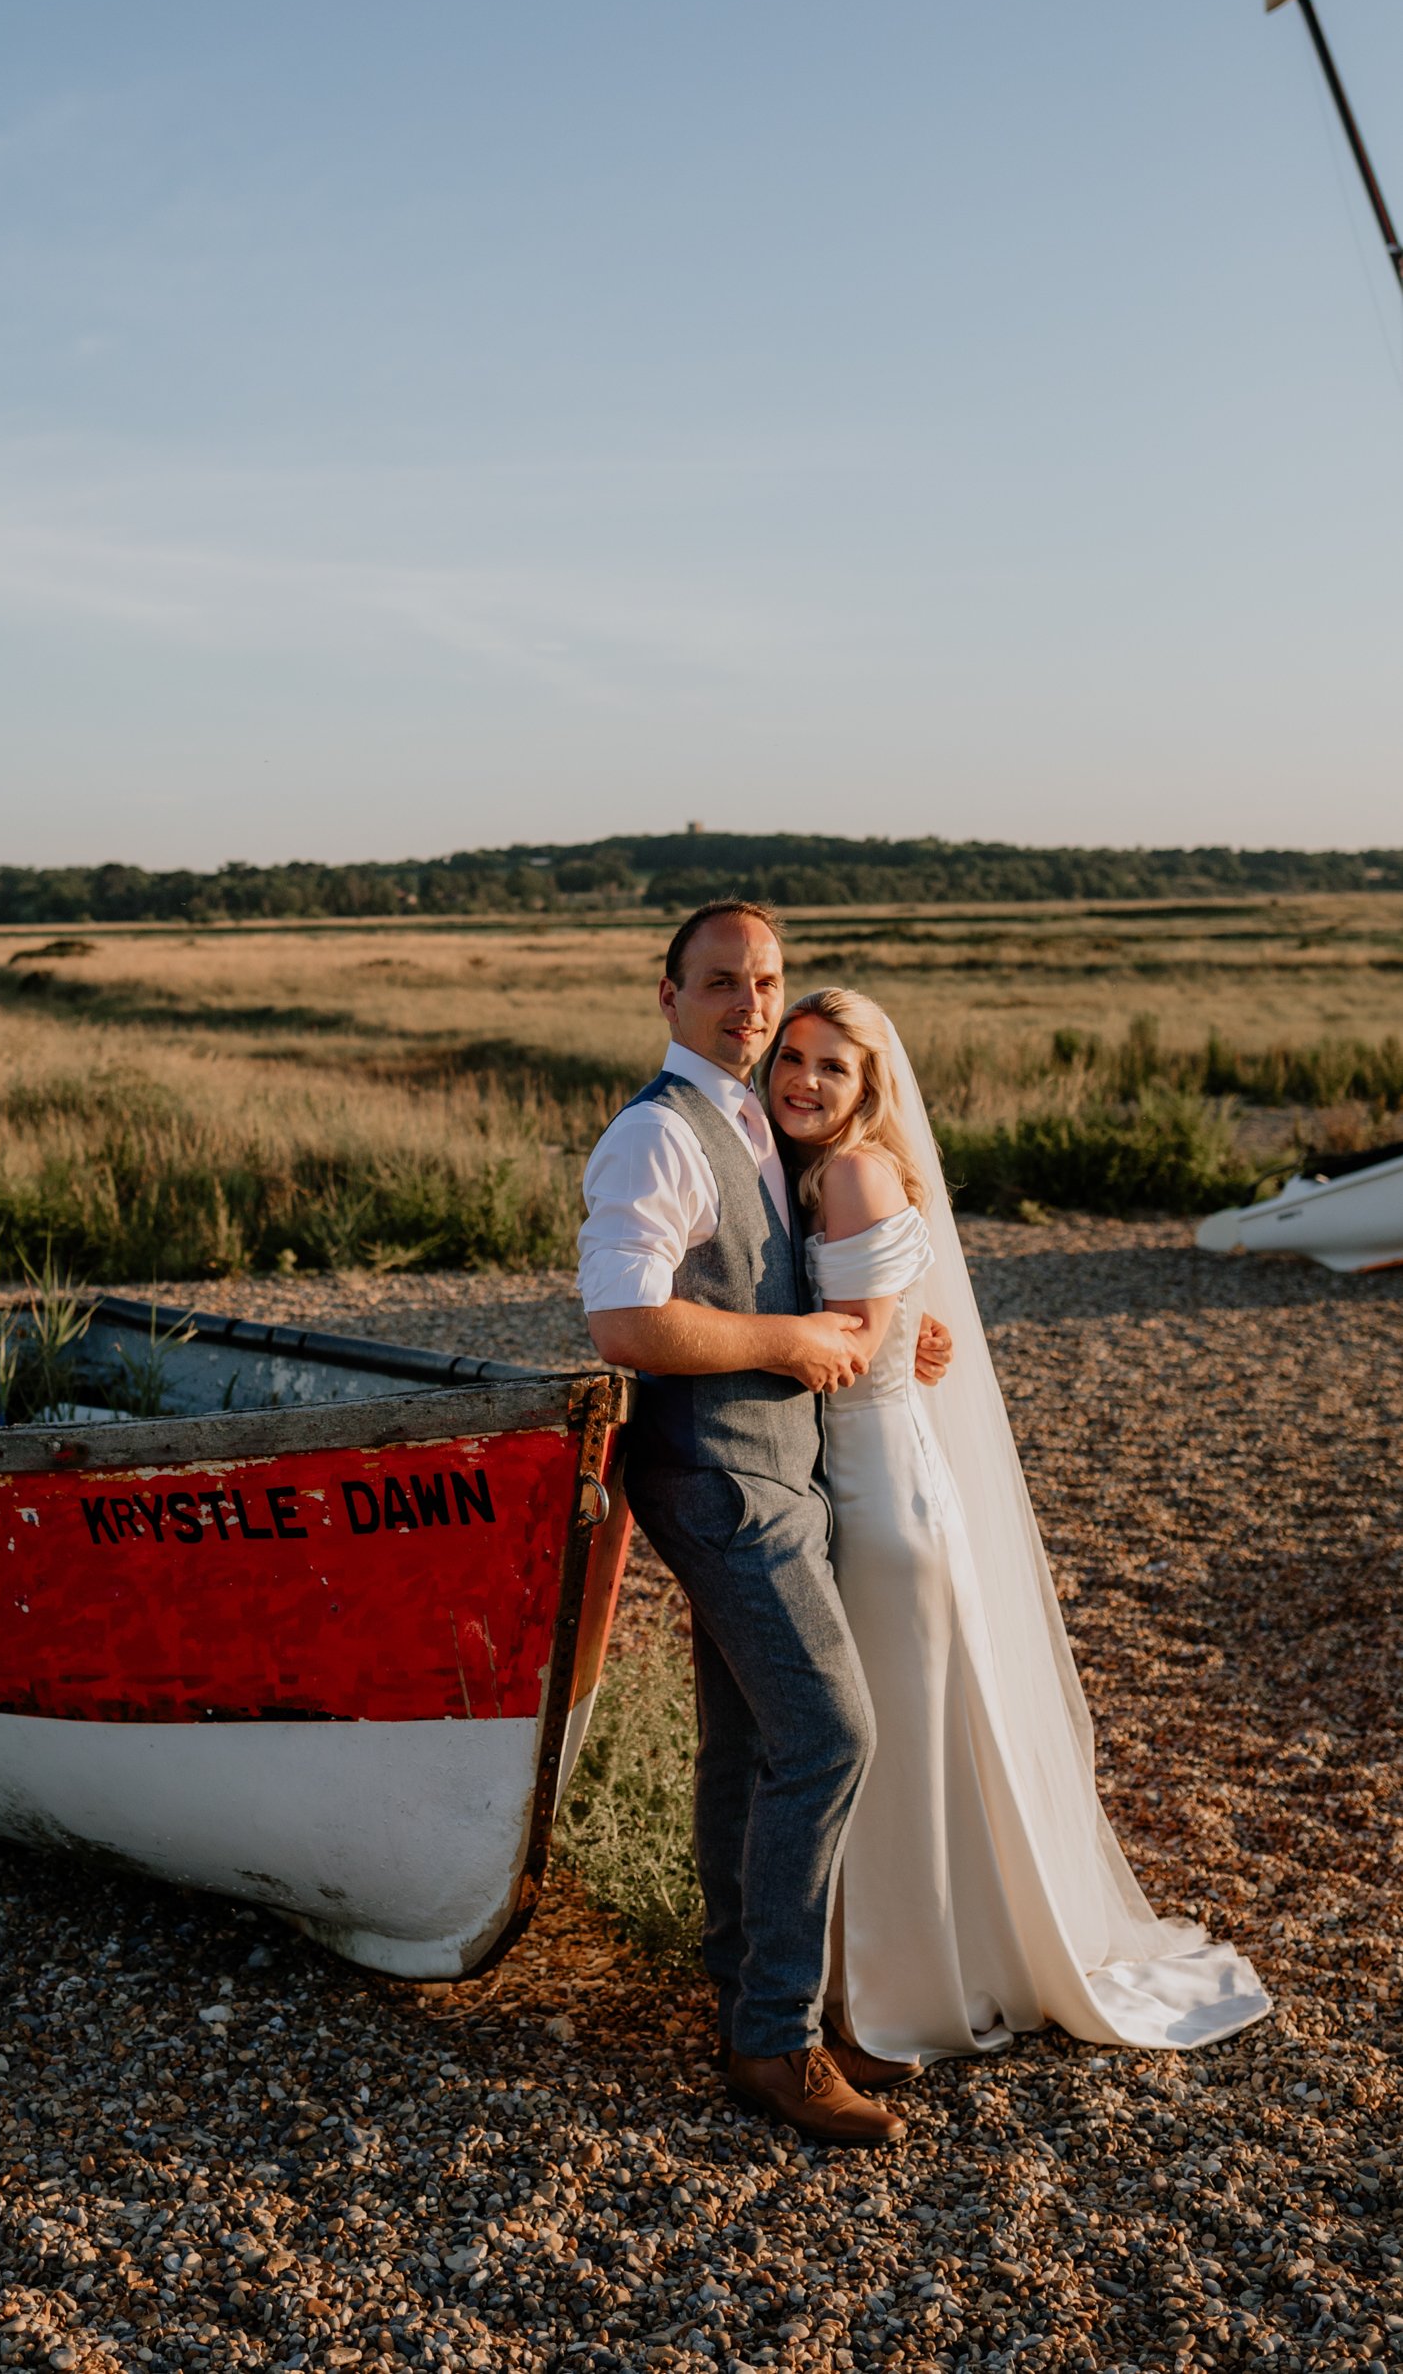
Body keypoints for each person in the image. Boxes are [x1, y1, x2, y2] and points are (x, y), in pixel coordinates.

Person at [763, 986, 1272, 2057]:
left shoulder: (852, 1169)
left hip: (876, 1491)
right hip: (872, 1472)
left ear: (868, 1086)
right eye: (790, 1059)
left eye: (829, 1067)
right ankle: (923, 1961)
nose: (802, 1081)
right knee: (915, 1731)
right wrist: (905, 1329)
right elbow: (887, 1315)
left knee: (897, 1738)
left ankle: (908, 1987)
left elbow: (851, 1344)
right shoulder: (823, 1171)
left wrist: (737, 1336)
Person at [577, 902, 953, 2146]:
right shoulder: (654, 1135)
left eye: (766, 982)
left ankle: (744, 1986)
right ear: (669, 996)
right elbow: (628, 1322)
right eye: (721, 983)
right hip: (719, 1481)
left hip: (774, 1470)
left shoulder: (752, 1122)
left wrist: (890, 1330)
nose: (748, 1005)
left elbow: (793, 1273)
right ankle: (774, 2042)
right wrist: (789, 1342)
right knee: (831, 1734)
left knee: (745, 1741)